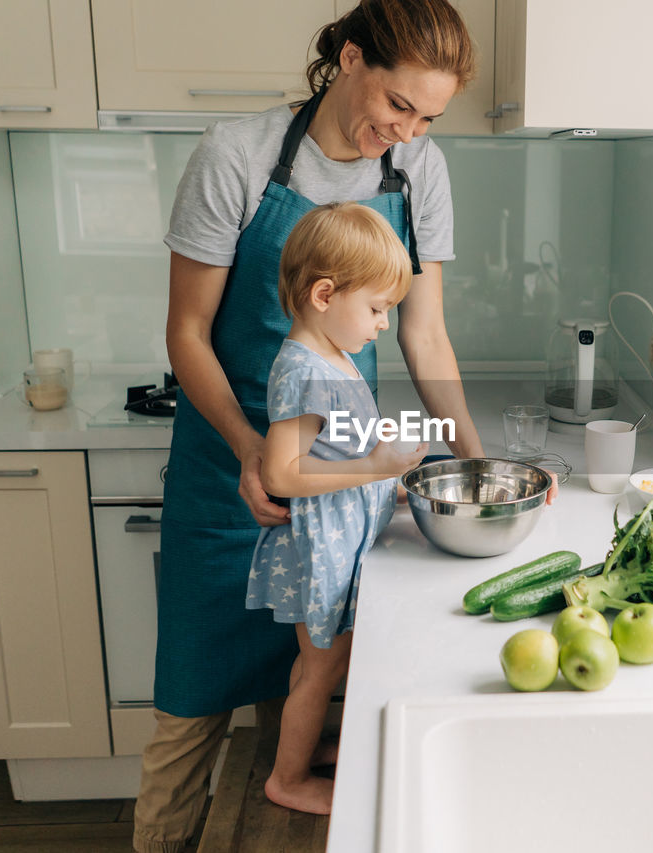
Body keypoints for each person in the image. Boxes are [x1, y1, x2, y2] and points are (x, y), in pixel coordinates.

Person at [132, 2, 480, 850]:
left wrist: (476, 465)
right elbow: (187, 332)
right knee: (189, 713)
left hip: (330, 490)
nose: (405, 131)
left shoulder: (416, 170)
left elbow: (422, 332)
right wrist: (252, 449)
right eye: (398, 104)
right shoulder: (239, 156)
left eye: (428, 116)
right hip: (226, 476)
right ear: (351, 57)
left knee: (298, 693)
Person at [248, 201, 427, 815]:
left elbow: (348, 444)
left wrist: (398, 484)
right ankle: (288, 780)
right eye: (377, 309)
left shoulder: (333, 355)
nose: (383, 325)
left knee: (325, 663)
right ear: (325, 294)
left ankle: (310, 749)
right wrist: (378, 469)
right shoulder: (303, 370)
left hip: (343, 541)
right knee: (321, 671)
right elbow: (283, 473)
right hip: (321, 549)